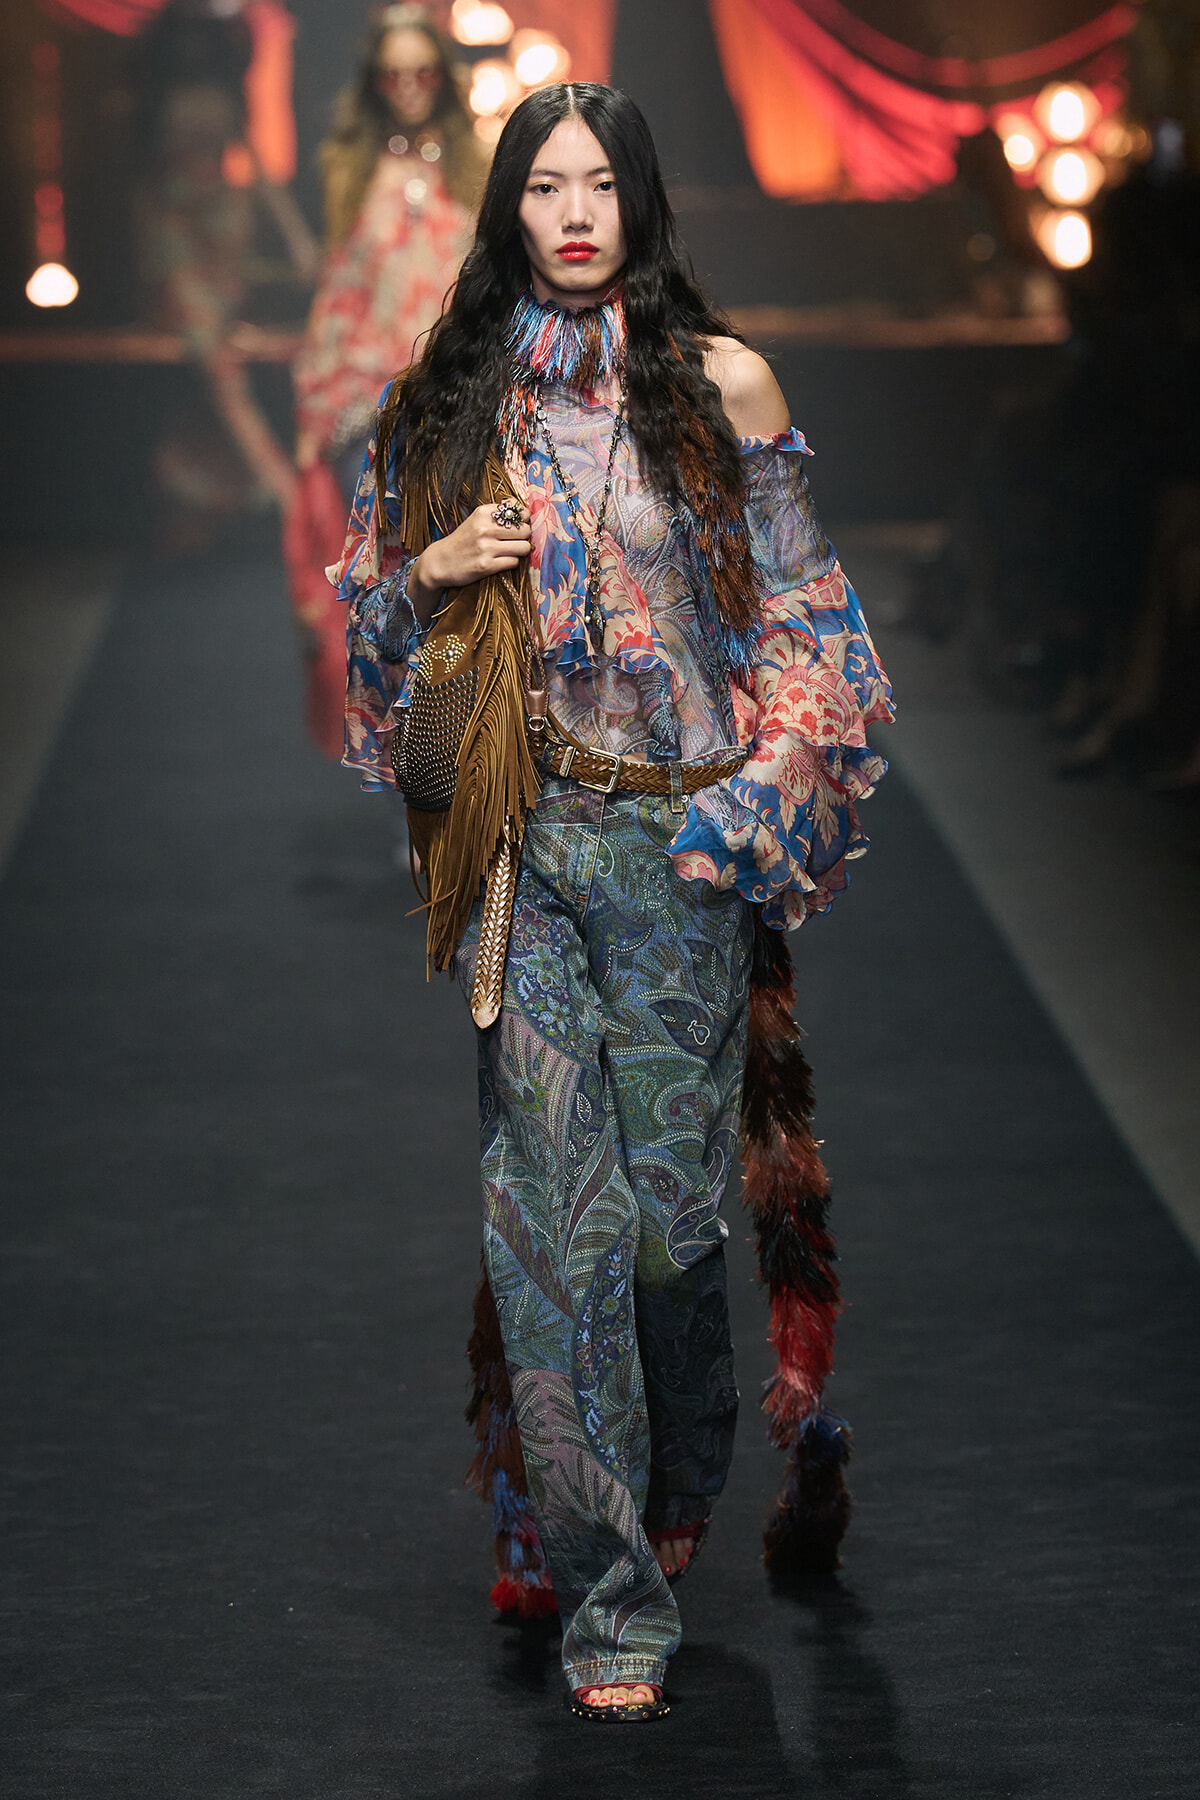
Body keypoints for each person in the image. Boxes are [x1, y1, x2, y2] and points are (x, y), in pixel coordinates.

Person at [332, 82, 893, 1722]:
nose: (573, 212)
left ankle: (672, 1499)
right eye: (543, 187)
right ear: (508, 211)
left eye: (601, 185)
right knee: (549, 1228)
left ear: (642, 207)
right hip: (532, 854)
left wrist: (747, 814)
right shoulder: (452, 404)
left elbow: (815, 636)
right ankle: (612, 1595)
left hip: (685, 862)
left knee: (664, 1227)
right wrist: (427, 575)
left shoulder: (725, 386)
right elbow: (374, 669)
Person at [286, 3, 486, 758]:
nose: (408, 86)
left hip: (462, 399)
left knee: (462, 583)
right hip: (373, 407)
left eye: (422, 71)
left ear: (442, 75)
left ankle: (456, 749)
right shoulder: (351, 166)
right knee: (389, 584)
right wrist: (323, 404)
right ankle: (409, 753)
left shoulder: (477, 162)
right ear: (374, 80)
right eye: (392, 73)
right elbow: (339, 290)